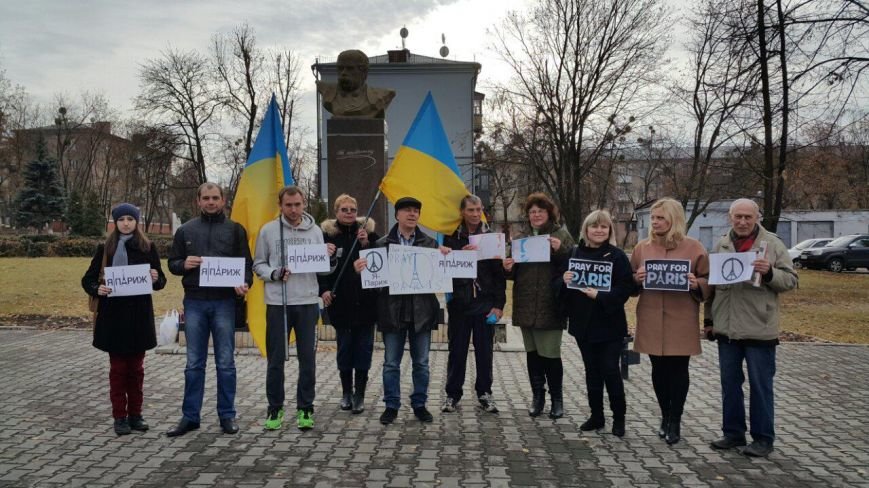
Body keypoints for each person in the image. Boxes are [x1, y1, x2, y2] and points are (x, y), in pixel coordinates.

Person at [705, 199, 798, 457]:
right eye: (738, 217)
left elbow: (790, 280)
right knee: (730, 386)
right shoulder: (721, 244)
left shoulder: (772, 245)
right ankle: (733, 433)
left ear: (757, 217)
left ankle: (763, 439)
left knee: (760, 387)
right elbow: (712, 287)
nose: (743, 222)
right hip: (727, 329)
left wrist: (769, 273)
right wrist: (709, 320)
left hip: (759, 328)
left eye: (748, 217)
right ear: (730, 218)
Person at [166, 183, 253, 437]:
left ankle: (227, 415)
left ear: (223, 200)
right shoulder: (185, 230)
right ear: (198, 201)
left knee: (226, 362)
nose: (211, 202)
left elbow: (246, 265)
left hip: (225, 302)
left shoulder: (235, 230)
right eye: (206, 198)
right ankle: (190, 416)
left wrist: (244, 282)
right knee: (194, 363)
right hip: (194, 302)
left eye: (215, 197)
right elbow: (172, 263)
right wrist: (184, 264)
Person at [353, 196, 448, 425]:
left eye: (416, 210)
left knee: (422, 363)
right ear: (397, 215)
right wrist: (361, 271)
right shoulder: (381, 245)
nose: (412, 214)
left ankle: (420, 404)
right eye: (407, 210)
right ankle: (391, 406)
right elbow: (374, 284)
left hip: (421, 312)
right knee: (391, 363)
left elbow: (441, 277)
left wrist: (446, 258)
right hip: (392, 312)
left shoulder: (431, 245)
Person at [254, 186, 337, 431]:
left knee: (307, 359)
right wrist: (274, 273)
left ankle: (305, 408)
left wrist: (329, 257)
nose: (293, 209)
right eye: (288, 205)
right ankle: (275, 408)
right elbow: (258, 264)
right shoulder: (268, 231)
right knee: (276, 359)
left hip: (307, 302)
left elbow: (323, 270)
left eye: (297, 204)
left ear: (304, 204)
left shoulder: (315, 232)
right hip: (278, 303)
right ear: (280, 205)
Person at [82, 203, 166, 436]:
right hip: (113, 319)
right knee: (118, 370)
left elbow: (161, 283)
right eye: (121, 219)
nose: (126, 223)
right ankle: (119, 417)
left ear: (136, 221)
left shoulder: (148, 247)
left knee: (136, 370)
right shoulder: (105, 248)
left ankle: (136, 415)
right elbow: (88, 279)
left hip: (138, 317)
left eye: (130, 218)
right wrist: (97, 288)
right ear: (115, 222)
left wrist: (156, 277)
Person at [631, 197, 709, 445]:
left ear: (673, 220)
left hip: (681, 317)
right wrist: (637, 278)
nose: (655, 222)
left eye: (660, 218)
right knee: (658, 370)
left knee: (678, 370)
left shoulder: (694, 247)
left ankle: (676, 419)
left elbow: (709, 280)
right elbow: (630, 279)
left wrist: (698, 284)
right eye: (653, 218)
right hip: (652, 315)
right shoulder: (642, 247)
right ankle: (664, 415)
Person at [559, 210, 633, 437]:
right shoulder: (574, 253)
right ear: (586, 229)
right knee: (591, 372)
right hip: (583, 325)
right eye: (594, 226)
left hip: (610, 325)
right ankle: (596, 416)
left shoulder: (617, 256)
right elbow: (563, 292)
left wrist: (600, 296)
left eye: (604, 227)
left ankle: (618, 419)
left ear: (609, 230)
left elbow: (625, 289)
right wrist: (564, 281)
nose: (599, 230)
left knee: (610, 370)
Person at [503, 192, 575, 419]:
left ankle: (557, 399)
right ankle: (537, 397)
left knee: (551, 354)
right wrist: (508, 266)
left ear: (549, 213)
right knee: (533, 354)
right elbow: (514, 273)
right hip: (526, 303)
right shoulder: (521, 238)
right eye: (532, 212)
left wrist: (560, 250)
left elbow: (573, 264)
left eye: (540, 211)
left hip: (550, 303)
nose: (535, 215)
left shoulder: (561, 235)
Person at [441, 195, 506, 414]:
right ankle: (452, 394)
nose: (476, 214)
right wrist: (460, 255)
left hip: (484, 303)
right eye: (471, 210)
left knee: (484, 352)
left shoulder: (491, 237)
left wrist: (499, 305)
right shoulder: (451, 237)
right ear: (462, 212)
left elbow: (499, 276)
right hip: (460, 302)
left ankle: (484, 393)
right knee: (457, 351)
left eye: (478, 209)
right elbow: (444, 268)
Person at [318, 194, 380, 414]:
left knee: (364, 350)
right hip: (340, 304)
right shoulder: (326, 237)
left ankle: (360, 395)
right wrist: (323, 289)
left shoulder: (368, 234)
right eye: (344, 209)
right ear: (336, 212)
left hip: (366, 304)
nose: (349, 213)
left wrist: (366, 244)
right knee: (345, 349)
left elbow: (378, 262)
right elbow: (320, 269)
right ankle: (346, 392)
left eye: (352, 209)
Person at [316, 49, 396, 118]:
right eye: (340, 68)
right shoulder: (328, 92)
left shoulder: (380, 96)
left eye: (350, 68)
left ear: (363, 72)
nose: (343, 72)